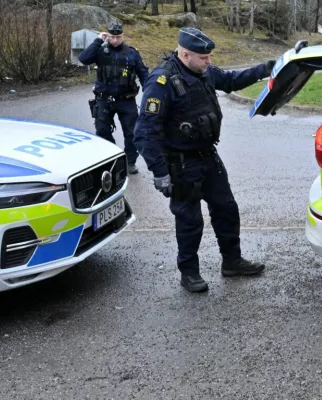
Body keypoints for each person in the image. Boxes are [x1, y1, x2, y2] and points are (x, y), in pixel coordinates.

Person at [134, 28, 277, 293]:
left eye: (209, 57)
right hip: (180, 163)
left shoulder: (202, 71)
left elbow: (233, 80)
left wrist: (268, 68)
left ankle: (232, 261)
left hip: (208, 156)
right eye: (204, 57)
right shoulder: (161, 83)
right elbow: (144, 132)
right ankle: (189, 273)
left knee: (226, 209)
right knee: (189, 222)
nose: (209, 62)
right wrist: (160, 171)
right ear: (185, 54)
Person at [79, 21, 150, 175]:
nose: (115, 40)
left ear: (122, 36)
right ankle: (111, 159)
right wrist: (98, 40)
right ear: (107, 36)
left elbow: (143, 73)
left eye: (118, 37)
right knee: (102, 130)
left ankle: (130, 161)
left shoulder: (131, 53)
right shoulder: (100, 50)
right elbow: (83, 59)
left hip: (126, 99)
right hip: (104, 99)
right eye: (112, 37)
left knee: (132, 133)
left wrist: (150, 92)